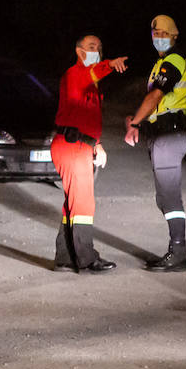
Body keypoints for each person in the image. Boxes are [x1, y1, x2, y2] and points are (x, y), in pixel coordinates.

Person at [52, 34, 127, 271]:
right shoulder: (76, 75)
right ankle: (87, 259)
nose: (97, 50)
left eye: (100, 47)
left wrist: (98, 144)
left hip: (80, 144)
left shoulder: (91, 84)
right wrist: (110, 64)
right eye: (92, 46)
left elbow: (87, 119)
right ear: (79, 51)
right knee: (83, 203)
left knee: (73, 204)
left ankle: (65, 258)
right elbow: (91, 74)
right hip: (71, 146)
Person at [124, 14, 186, 272]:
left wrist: (135, 123)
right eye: (156, 34)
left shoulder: (173, 60)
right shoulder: (162, 62)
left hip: (169, 134)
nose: (159, 38)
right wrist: (138, 119)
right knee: (165, 197)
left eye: (164, 34)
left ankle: (178, 253)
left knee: (169, 197)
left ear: (174, 36)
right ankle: (177, 252)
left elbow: (155, 95)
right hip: (165, 134)